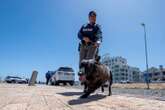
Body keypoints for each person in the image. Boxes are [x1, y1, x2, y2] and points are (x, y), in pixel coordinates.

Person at [78, 11, 102, 75]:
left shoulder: (97, 26)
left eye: (94, 17)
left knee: (89, 61)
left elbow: (99, 35)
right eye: (91, 16)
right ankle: (82, 76)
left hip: (92, 46)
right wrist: (83, 38)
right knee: (81, 62)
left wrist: (98, 41)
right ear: (89, 17)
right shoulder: (84, 26)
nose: (93, 18)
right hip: (83, 46)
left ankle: (89, 77)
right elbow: (79, 34)